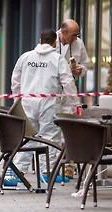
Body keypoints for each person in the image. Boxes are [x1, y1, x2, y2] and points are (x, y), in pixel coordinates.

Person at [10, 28, 79, 184]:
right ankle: (47, 173)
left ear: (40, 40)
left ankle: (17, 173)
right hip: (49, 104)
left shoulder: (26, 57)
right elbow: (68, 83)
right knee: (50, 138)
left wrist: (17, 99)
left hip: (28, 103)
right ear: (55, 42)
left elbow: (15, 80)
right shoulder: (58, 59)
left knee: (27, 138)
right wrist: (74, 104)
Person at [56, 19, 89, 178]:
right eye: (74, 35)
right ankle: (55, 164)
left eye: (77, 35)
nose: (76, 38)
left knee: (70, 127)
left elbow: (85, 65)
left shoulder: (79, 44)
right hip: (53, 92)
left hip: (70, 92)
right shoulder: (50, 42)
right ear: (64, 32)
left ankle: (70, 164)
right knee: (54, 129)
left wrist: (78, 70)